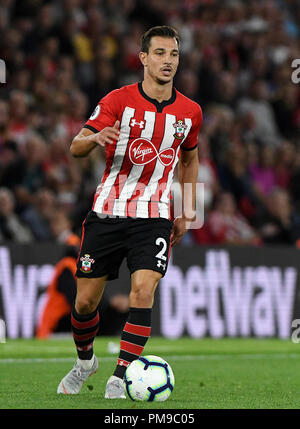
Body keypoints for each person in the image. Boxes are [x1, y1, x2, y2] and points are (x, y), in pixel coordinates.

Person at [57, 25, 202, 398]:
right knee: (85, 301)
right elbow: (75, 147)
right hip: (107, 211)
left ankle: (121, 376)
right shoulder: (117, 101)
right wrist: (94, 138)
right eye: (160, 53)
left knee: (142, 291)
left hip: (154, 215)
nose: (168, 61)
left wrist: (186, 210)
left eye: (173, 54)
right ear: (143, 58)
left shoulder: (190, 112)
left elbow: (190, 159)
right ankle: (85, 360)